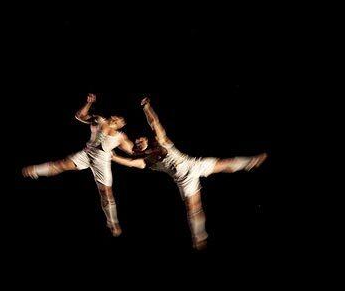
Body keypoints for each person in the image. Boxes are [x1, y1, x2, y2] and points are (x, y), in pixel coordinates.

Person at [112, 97, 267, 250]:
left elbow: (154, 123)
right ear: (137, 150)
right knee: (193, 208)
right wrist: (114, 157)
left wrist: (147, 108)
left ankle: (251, 162)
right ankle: (199, 236)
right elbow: (132, 163)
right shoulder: (147, 161)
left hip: (192, 164)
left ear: (146, 139)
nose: (139, 142)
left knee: (224, 164)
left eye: (140, 140)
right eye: (137, 144)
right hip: (184, 180)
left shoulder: (161, 141)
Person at [22, 94, 135, 236]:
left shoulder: (121, 136)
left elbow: (132, 150)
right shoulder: (99, 120)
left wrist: (143, 147)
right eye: (118, 117)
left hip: (102, 160)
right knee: (62, 164)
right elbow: (80, 116)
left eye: (122, 120)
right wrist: (88, 103)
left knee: (106, 193)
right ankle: (36, 170)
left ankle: (112, 221)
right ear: (114, 117)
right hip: (87, 153)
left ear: (122, 125)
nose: (118, 120)